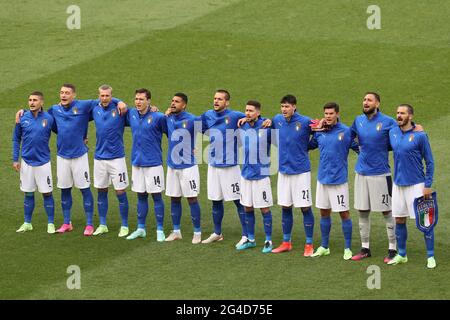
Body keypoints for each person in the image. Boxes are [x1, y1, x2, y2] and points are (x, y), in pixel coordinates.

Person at [15, 84, 127, 235]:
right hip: (62, 156)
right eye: (61, 92)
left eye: (67, 93)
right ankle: (67, 223)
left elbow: (104, 99)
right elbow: (39, 117)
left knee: (85, 189)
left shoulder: (84, 105)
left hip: (80, 155)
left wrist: (119, 102)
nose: (64, 95)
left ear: (74, 95)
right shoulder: (54, 110)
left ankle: (89, 224)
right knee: (64, 189)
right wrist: (22, 112)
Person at [350, 92, 397, 262]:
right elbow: (349, 137)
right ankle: (365, 248)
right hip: (361, 173)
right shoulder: (358, 120)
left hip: (381, 173)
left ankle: (393, 249)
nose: (365, 102)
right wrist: (358, 149)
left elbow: (398, 140)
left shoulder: (388, 122)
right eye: (364, 100)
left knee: (387, 210)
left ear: (377, 103)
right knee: (362, 210)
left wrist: (415, 127)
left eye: (369, 100)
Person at [309, 102, 359, 260]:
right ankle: (324, 246)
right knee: (324, 212)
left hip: (339, 180)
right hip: (322, 179)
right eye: (326, 114)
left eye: (331, 114)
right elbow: (308, 145)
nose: (328, 116)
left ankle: (347, 248)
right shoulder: (320, 132)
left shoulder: (346, 132)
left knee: (344, 213)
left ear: (337, 114)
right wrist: (313, 130)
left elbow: (359, 149)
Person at [388, 104, 435, 268]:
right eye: (397, 113)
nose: (399, 116)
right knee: (399, 219)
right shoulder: (392, 131)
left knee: (425, 222)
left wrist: (428, 185)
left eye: (402, 113)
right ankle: (402, 254)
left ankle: (430, 256)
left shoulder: (420, 136)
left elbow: (430, 162)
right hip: (398, 184)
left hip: (417, 185)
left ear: (411, 116)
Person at [200, 90, 248, 247]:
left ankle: (246, 235)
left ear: (227, 102)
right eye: (214, 98)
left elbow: (254, 118)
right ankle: (217, 232)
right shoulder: (207, 115)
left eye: (220, 99)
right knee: (215, 200)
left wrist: (266, 121)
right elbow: (195, 126)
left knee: (238, 201)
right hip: (213, 165)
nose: (216, 101)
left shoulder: (235, 116)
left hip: (230, 166)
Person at [270, 94, 316, 257]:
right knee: (285, 206)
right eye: (282, 106)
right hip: (284, 171)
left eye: (287, 106)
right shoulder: (277, 119)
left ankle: (309, 244)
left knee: (304, 207)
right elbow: (268, 127)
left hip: (301, 172)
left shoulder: (305, 121)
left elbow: (319, 130)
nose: (284, 109)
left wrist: (308, 146)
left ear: (294, 107)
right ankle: (286, 242)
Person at [125, 88, 167, 242]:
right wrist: (120, 102)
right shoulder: (131, 114)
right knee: (140, 195)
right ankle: (141, 228)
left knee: (156, 196)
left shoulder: (158, 117)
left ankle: (160, 230)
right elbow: (112, 103)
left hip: (153, 163)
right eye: (136, 99)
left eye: (141, 99)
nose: (138, 102)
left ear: (149, 101)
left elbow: (171, 133)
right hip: (137, 163)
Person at [12, 91, 56, 234]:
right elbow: (16, 139)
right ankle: (27, 223)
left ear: (41, 103)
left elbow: (63, 131)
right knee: (28, 193)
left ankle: (50, 223)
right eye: (30, 100)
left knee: (47, 193)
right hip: (26, 162)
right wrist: (15, 159)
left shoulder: (49, 118)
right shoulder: (22, 118)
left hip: (43, 162)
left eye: (35, 100)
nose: (31, 102)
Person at [90, 85, 129, 237]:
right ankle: (102, 224)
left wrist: (120, 101)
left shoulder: (121, 110)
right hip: (99, 158)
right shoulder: (94, 108)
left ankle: (124, 225)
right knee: (101, 190)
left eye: (107, 96)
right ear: (98, 96)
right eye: (102, 95)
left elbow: (139, 114)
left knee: (120, 191)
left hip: (117, 158)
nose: (104, 98)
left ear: (111, 96)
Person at [235, 100, 273, 253]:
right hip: (245, 174)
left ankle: (268, 240)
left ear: (258, 112)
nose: (247, 113)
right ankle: (250, 239)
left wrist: (269, 120)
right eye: (246, 110)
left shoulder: (267, 126)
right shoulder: (242, 125)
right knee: (247, 207)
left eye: (251, 111)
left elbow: (278, 123)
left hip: (261, 175)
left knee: (264, 209)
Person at [164, 93, 202, 244]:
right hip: (172, 166)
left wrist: (196, 146)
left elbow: (210, 131)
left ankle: (197, 232)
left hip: (188, 167)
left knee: (192, 198)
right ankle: (176, 231)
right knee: (174, 198)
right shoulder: (168, 118)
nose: (173, 103)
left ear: (184, 105)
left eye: (177, 102)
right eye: (172, 101)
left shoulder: (193, 119)